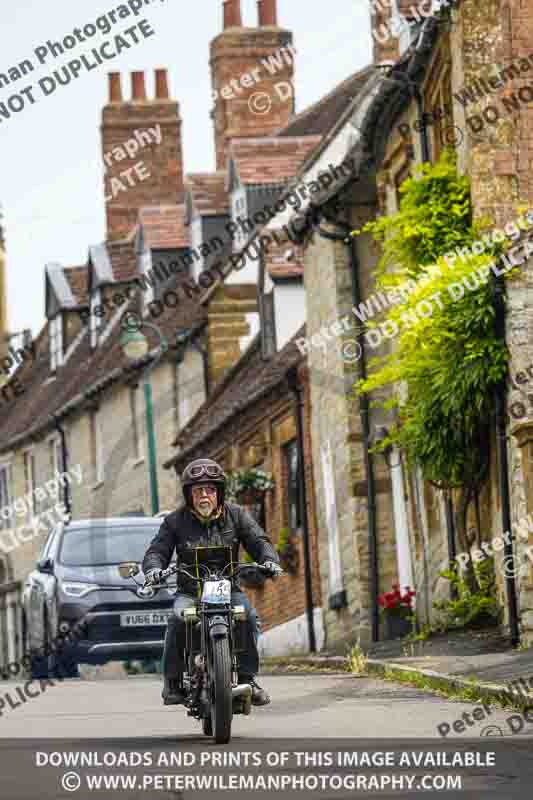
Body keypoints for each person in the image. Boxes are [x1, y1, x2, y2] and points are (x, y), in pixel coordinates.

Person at [142, 458, 283, 707]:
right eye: (198, 491)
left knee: (248, 617)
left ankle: (248, 679)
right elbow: (157, 550)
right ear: (189, 495)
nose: (204, 495)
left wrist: (269, 560)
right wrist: (154, 569)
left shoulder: (237, 515)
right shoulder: (175, 521)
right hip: (190, 591)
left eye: (209, 490)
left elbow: (258, 540)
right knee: (176, 620)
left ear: (219, 492)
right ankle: (172, 682)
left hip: (228, 589)